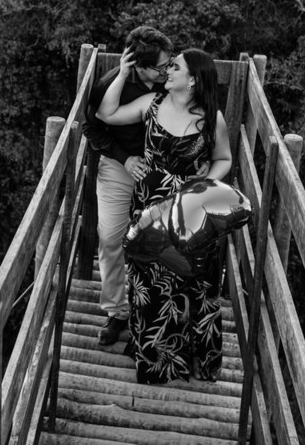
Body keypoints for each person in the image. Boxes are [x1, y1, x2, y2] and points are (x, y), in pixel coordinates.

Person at [96, 46, 233, 384]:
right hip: (148, 211)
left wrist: (205, 181)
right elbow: (106, 113)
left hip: (190, 213)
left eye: (176, 68)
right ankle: (154, 359)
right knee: (149, 287)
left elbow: (224, 159)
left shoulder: (210, 117)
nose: (167, 71)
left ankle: (193, 358)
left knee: (193, 286)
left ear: (192, 81)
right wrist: (123, 73)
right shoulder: (152, 104)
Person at [84, 25, 175, 346]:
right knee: (110, 237)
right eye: (161, 67)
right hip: (120, 167)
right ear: (139, 65)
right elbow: (92, 128)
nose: (168, 70)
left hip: (163, 171)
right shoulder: (111, 85)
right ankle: (117, 312)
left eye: (170, 63)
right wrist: (125, 159)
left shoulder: (174, 82)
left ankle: (154, 315)